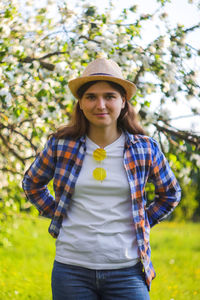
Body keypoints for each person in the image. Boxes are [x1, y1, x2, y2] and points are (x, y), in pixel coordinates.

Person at [22, 57, 181, 300]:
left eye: (109, 96)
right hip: (71, 270)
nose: (101, 104)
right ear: (81, 103)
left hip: (127, 271)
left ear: (123, 102)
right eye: (91, 97)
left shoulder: (145, 148)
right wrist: (57, 213)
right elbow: (32, 183)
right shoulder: (61, 145)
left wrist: (143, 219)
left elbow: (170, 193)